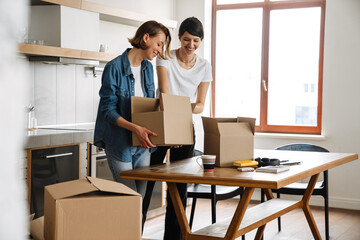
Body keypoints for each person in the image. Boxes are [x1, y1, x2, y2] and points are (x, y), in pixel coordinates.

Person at [142, 17, 212, 240]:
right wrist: (176, 115)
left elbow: (200, 105)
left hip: (184, 126)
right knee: (146, 182)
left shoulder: (204, 66)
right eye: (186, 39)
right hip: (160, 123)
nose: (191, 45)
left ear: (201, 41)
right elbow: (164, 94)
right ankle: (133, 232)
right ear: (179, 37)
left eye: (196, 40)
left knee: (178, 186)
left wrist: (182, 111)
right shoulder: (165, 57)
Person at [94, 20, 171, 200]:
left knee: (140, 201)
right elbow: (108, 111)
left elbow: (150, 107)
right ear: (146, 38)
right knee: (128, 201)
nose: (160, 50)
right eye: (159, 44)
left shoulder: (148, 68)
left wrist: (170, 133)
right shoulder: (113, 68)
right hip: (120, 144)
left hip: (143, 146)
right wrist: (136, 129)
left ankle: (137, 230)